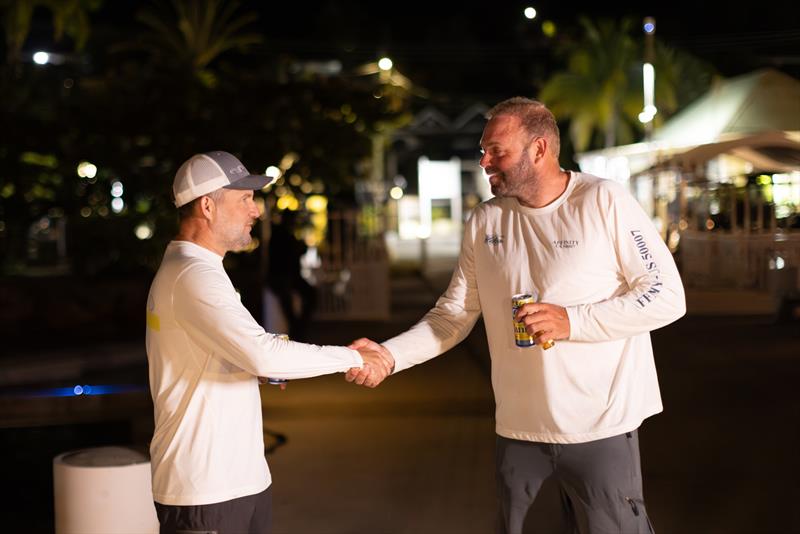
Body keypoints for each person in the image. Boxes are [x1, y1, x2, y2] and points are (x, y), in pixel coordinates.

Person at [347, 98, 686, 533]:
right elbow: (453, 315)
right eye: (483, 150)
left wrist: (573, 322)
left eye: (496, 150)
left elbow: (666, 295)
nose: (484, 161)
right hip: (518, 434)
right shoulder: (485, 220)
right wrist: (389, 356)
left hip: (599, 429)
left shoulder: (603, 200)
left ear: (539, 149)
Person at [145, 150, 391, 534]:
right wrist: (355, 358)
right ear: (207, 206)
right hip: (206, 488)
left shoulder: (199, 269)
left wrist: (250, 363)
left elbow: (234, 352)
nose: (255, 211)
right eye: (244, 198)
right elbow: (263, 355)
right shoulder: (192, 275)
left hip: (236, 481)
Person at [266, 209, 317, 341]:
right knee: (287, 302)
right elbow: (285, 257)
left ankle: (298, 327)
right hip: (280, 277)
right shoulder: (280, 235)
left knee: (310, 295)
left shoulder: (287, 234)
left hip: (290, 277)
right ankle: (296, 328)